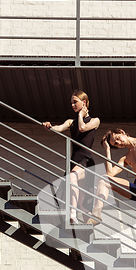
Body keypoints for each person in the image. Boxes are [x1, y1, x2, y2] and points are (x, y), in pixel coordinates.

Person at [87, 128, 136, 267]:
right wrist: (107, 150)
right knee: (104, 180)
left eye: (117, 138)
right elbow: (111, 173)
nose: (118, 143)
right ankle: (96, 214)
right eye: (115, 144)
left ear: (122, 132)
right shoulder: (126, 157)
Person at [43, 90, 100, 224]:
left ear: (84, 102)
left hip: (86, 160)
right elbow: (60, 128)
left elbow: (82, 128)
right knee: (81, 198)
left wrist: (81, 115)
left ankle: (72, 214)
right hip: (74, 159)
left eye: (75, 102)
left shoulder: (95, 120)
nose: (72, 105)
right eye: (71, 103)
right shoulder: (70, 122)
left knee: (73, 177)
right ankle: (84, 223)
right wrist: (50, 126)